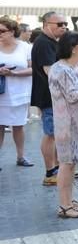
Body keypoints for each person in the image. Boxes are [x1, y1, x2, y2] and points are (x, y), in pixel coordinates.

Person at [48, 31, 78, 218]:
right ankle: (64, 205)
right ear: (74, 49)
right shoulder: (62, 69)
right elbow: (73, 96)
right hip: (67, 124)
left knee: (71, 163)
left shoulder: (67, 67)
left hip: (73, 123)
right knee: (66, 164)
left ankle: (69, 199)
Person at [31, 11, 68, 186]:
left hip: (53, 95)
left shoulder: (51, 42)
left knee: (55, 133)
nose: (64, 27)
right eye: (59, 24)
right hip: (48, 96)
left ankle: (57, 168)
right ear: (47, 25)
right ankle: (50, 172)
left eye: (65, 24)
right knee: (51, 134)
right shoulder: (44, 43)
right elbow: (51, 71)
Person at [0, 17, 33, 170]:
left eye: (2, 31)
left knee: (18, 126)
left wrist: (14, 74)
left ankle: (21, 156)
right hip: (1, 93)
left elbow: (34, 69)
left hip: (19, 93)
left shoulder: (25, 47)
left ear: (12, 32)